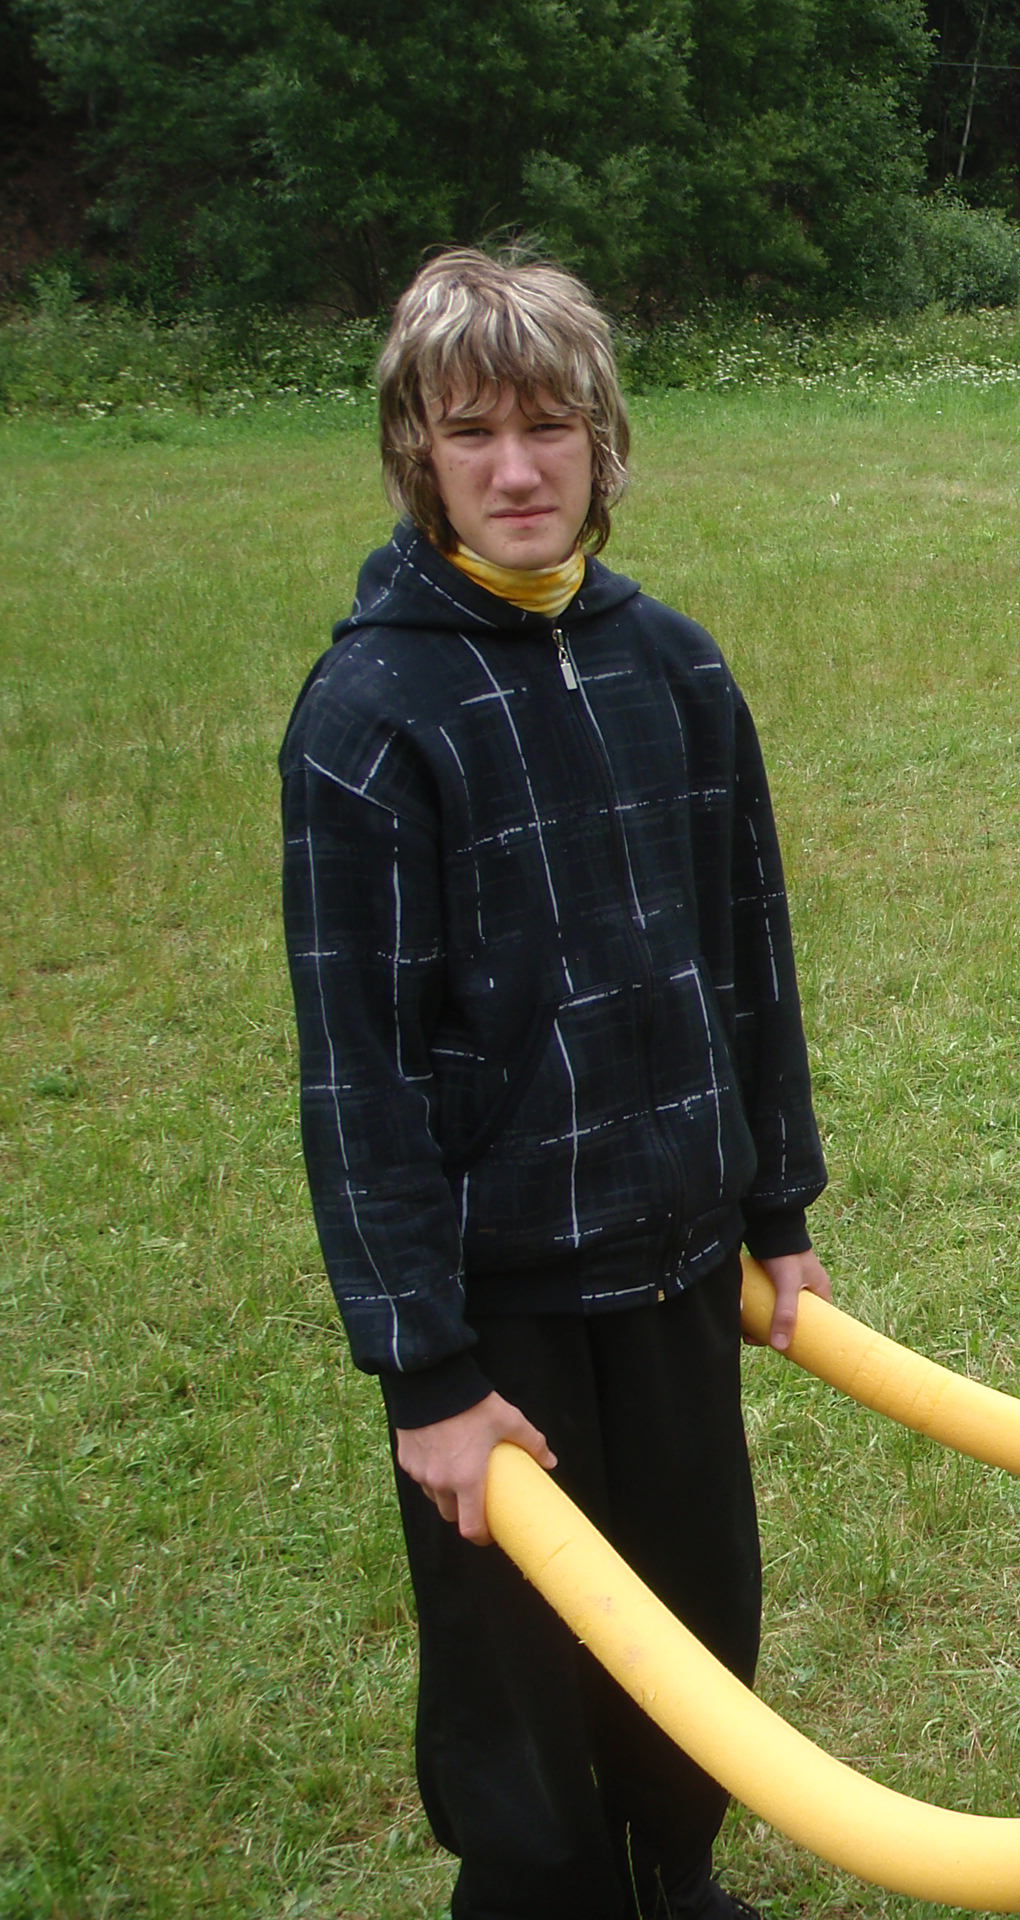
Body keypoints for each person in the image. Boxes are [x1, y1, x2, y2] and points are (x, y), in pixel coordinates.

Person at [280, 247, 831, 1920]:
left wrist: (778, 1210)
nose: (517, 470)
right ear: (416, 451)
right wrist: (427, 1378)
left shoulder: (675, 668)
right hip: (499, 1305)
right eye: (472, 433)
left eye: (549, 427)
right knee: (520, 1677)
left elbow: (747, 954)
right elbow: (358, 1078)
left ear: (602, 439)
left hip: (677, 1262)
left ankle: (676, 1878)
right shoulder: (372, 714)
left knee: (693, 1617)